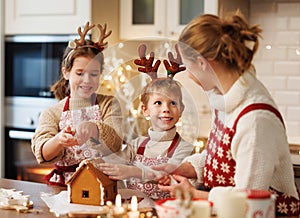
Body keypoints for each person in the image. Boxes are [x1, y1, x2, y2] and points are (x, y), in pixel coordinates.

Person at [154, 11, 300, 216]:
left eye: (188, 66)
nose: (187, 74)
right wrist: (182, 168)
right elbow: (219, 157)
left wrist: (193, 194)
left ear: (203, 63)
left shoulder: (255, 119)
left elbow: (248, 198)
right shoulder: (224, 100)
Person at [31, 22, 124, 186]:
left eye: (94, 74)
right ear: (66, 72)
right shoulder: (52, 113)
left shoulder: (109, 104)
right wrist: (59, 140)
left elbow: (116, 144)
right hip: (64, 187)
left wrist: (94, 128)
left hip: (102, 183)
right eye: (80, 73)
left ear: (100, 74)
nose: (87, 80)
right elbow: (43, 153)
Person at [98, 44, 194, 199]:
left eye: (173, 103)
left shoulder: (184, 148)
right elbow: (112, 161)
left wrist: (133, 171)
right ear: (145, 110)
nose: (166, 109)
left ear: (181, 109)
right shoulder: (136, 145)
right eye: (158, 103)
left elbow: (169, 174)